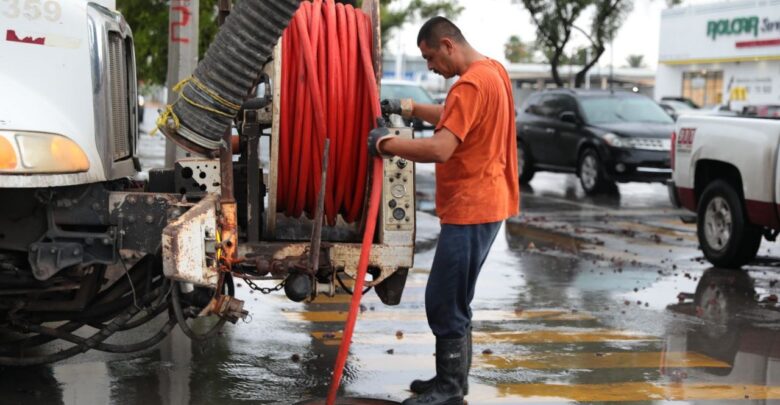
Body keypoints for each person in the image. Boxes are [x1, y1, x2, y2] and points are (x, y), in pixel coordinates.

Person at [368, 16, 519, 405]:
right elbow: (456, 115)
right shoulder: (493, 72)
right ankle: (452, 381)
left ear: (448, 45)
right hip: (490, 202)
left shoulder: (469, 85)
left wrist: (386, 144)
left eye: (431, 57)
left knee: (443, 298)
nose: (430, 66)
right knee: (457, 297)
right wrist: (410, 107)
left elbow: (440, 149)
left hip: (472, 207)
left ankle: (449, 390)